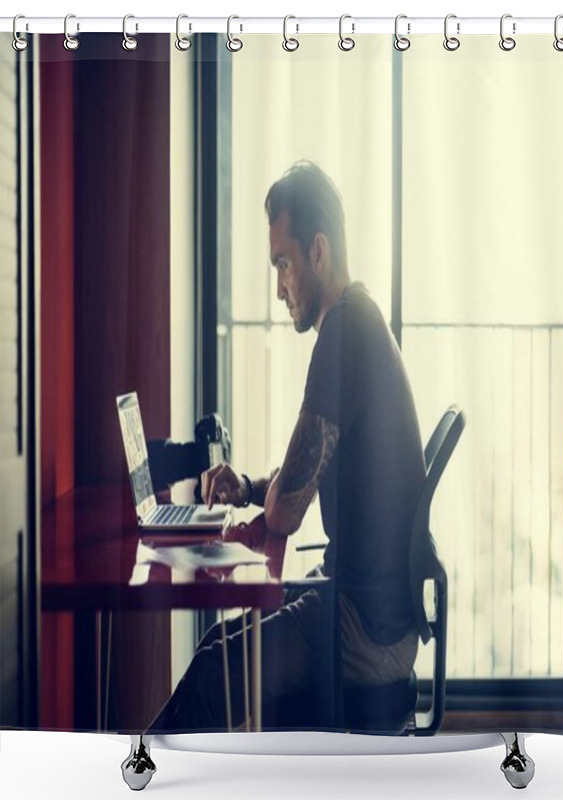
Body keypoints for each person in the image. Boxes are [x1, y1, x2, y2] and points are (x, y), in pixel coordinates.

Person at [147, 162, 426, 732]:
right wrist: (247, 486)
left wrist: (264, 498)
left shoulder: (345, 333)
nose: (279, 287)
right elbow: (308, 470)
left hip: (363, 628)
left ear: (317, 251)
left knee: (213, 676)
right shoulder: (358, 321)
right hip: (373, 611)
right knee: (219, 647)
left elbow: (286, 511)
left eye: (283, 264)